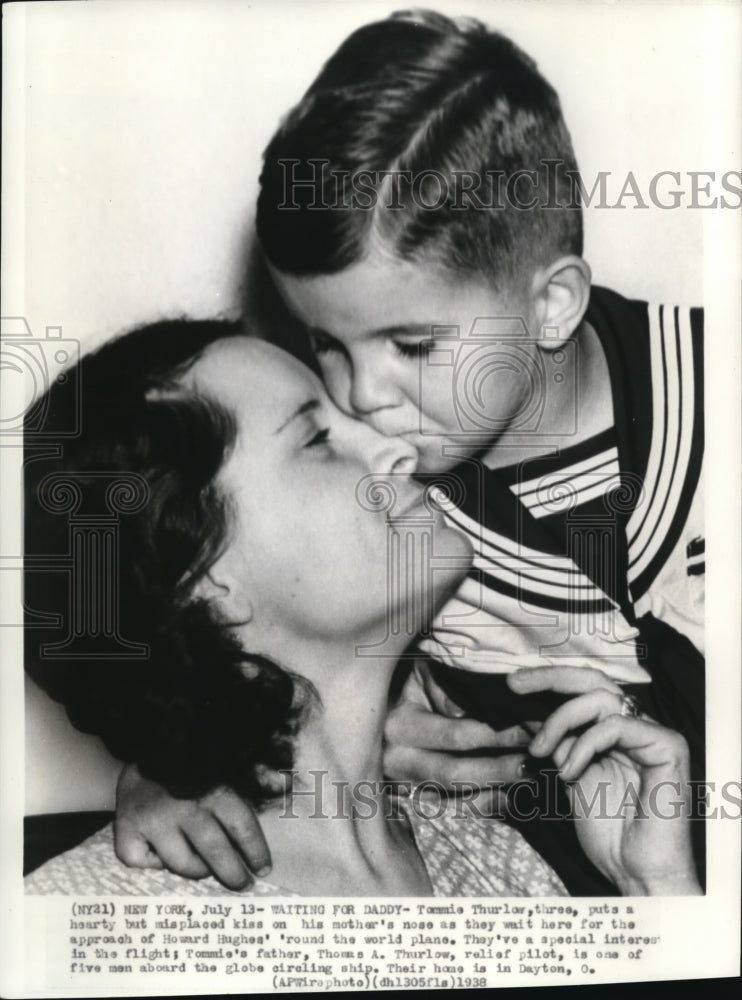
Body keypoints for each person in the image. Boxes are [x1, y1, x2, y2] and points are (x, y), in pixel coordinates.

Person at [114, 9, 704, 892]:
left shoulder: (707, 387)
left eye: (413, 347)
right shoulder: (398, 520)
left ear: (551, 305)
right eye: (324, 344)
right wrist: (167, 770)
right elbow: (214, 594)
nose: (360, 398)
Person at [25, 318, 700, 897]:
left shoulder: (511, 854)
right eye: (316, 440)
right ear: (205, 582)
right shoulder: (92, 915)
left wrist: (658, 890)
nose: (397, 447)